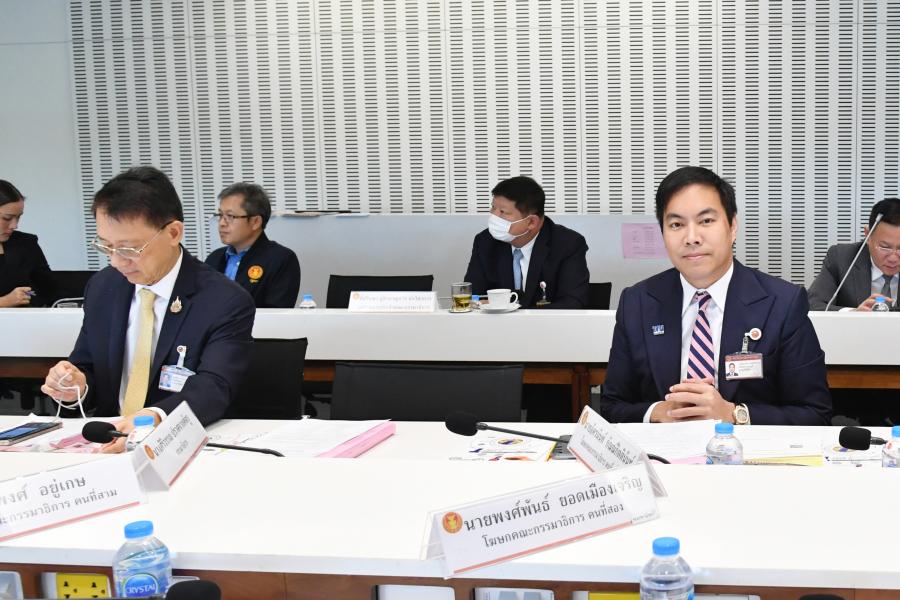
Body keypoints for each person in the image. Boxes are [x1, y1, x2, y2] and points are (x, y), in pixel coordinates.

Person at [41, 167, 256, 452]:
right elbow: (88, 366)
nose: (116, 261)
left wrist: (155, 417)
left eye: (129, 249)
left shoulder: (223, 300)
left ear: (173, 233)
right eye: (106, 246)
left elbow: (214, 386)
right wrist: (75, 386)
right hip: (108, 443)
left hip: (179, 446)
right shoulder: (104, 287)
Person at [598, 166, 831, 425]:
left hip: (747, 448)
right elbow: (612, 406)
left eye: (706, 221)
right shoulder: (637, 302)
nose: (691, 238)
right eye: (676, 224)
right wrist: (658, 412)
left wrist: (733, 414)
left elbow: (815, 413)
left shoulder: (783, 303)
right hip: (664, 448)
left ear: (733, 227)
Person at [464, 176, 589, 309]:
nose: (494, 216)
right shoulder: (485, 242)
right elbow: (472, 297)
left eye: (502, 212)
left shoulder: (568, 244)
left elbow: (572, 302)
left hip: (547, 322)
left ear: (531, 222)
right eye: (493, 207)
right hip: (497, 323)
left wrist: (515, 312)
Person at [205, 183, 300, 308]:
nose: (222, 223)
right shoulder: (214, 258)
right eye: (220, 215)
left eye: (230, 216)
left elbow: (276, 313)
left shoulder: (280, 259)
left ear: (255, 222)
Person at [807, 198, 900, 311]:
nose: (893, 258)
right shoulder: (841, 258)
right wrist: (853, 313)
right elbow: (812, 305)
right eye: (885, 247)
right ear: (868, 235)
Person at [0, 180, 54, 307]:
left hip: (29, 317)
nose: (14, 225)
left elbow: (49, 289)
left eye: (18, 217)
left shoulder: (26, 243)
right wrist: (4, 301)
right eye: (7, 218)